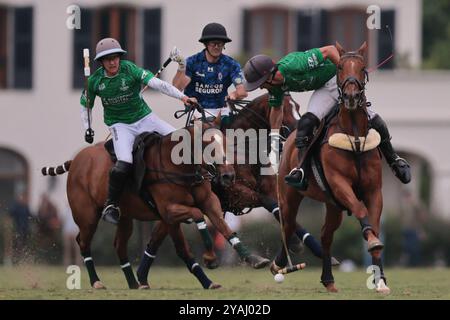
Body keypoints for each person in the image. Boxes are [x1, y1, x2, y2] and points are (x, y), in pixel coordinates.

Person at [242, 46, 411, 190]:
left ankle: (394, 160)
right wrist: (273, 139)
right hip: (324, 88)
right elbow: (276, 110)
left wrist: (345, 74)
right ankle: (301, 170)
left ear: (270, 76)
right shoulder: (275, 87)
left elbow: (330, 50)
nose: (261, 87)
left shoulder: (294, 64)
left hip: (338, 80)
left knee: (375, 120)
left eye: (261, 83)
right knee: (306, 123)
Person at [80, 37, 198, 225]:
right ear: (101, 62)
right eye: (107, 59)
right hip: (120, 125)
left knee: (181, 140)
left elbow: (158, 84)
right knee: (124, 162)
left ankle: (192, 187)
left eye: (115, 57)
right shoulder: (95, 81)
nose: (112, 62)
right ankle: (111, 204)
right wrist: (88, 129)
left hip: (145, 118)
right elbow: (85, 106)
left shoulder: (130, 69)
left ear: (120, 57)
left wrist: (183, 98)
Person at [170, 22, 247, 120]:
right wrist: (181, 66)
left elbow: (242, 91)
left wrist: (235, 94)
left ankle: (273, 135)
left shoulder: (231, 64)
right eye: (213, 43)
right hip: (198, 112)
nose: (216, 46)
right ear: (205, 44)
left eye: (220, 43)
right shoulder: (192, 62)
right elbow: (178, 88)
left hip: (222, 111)